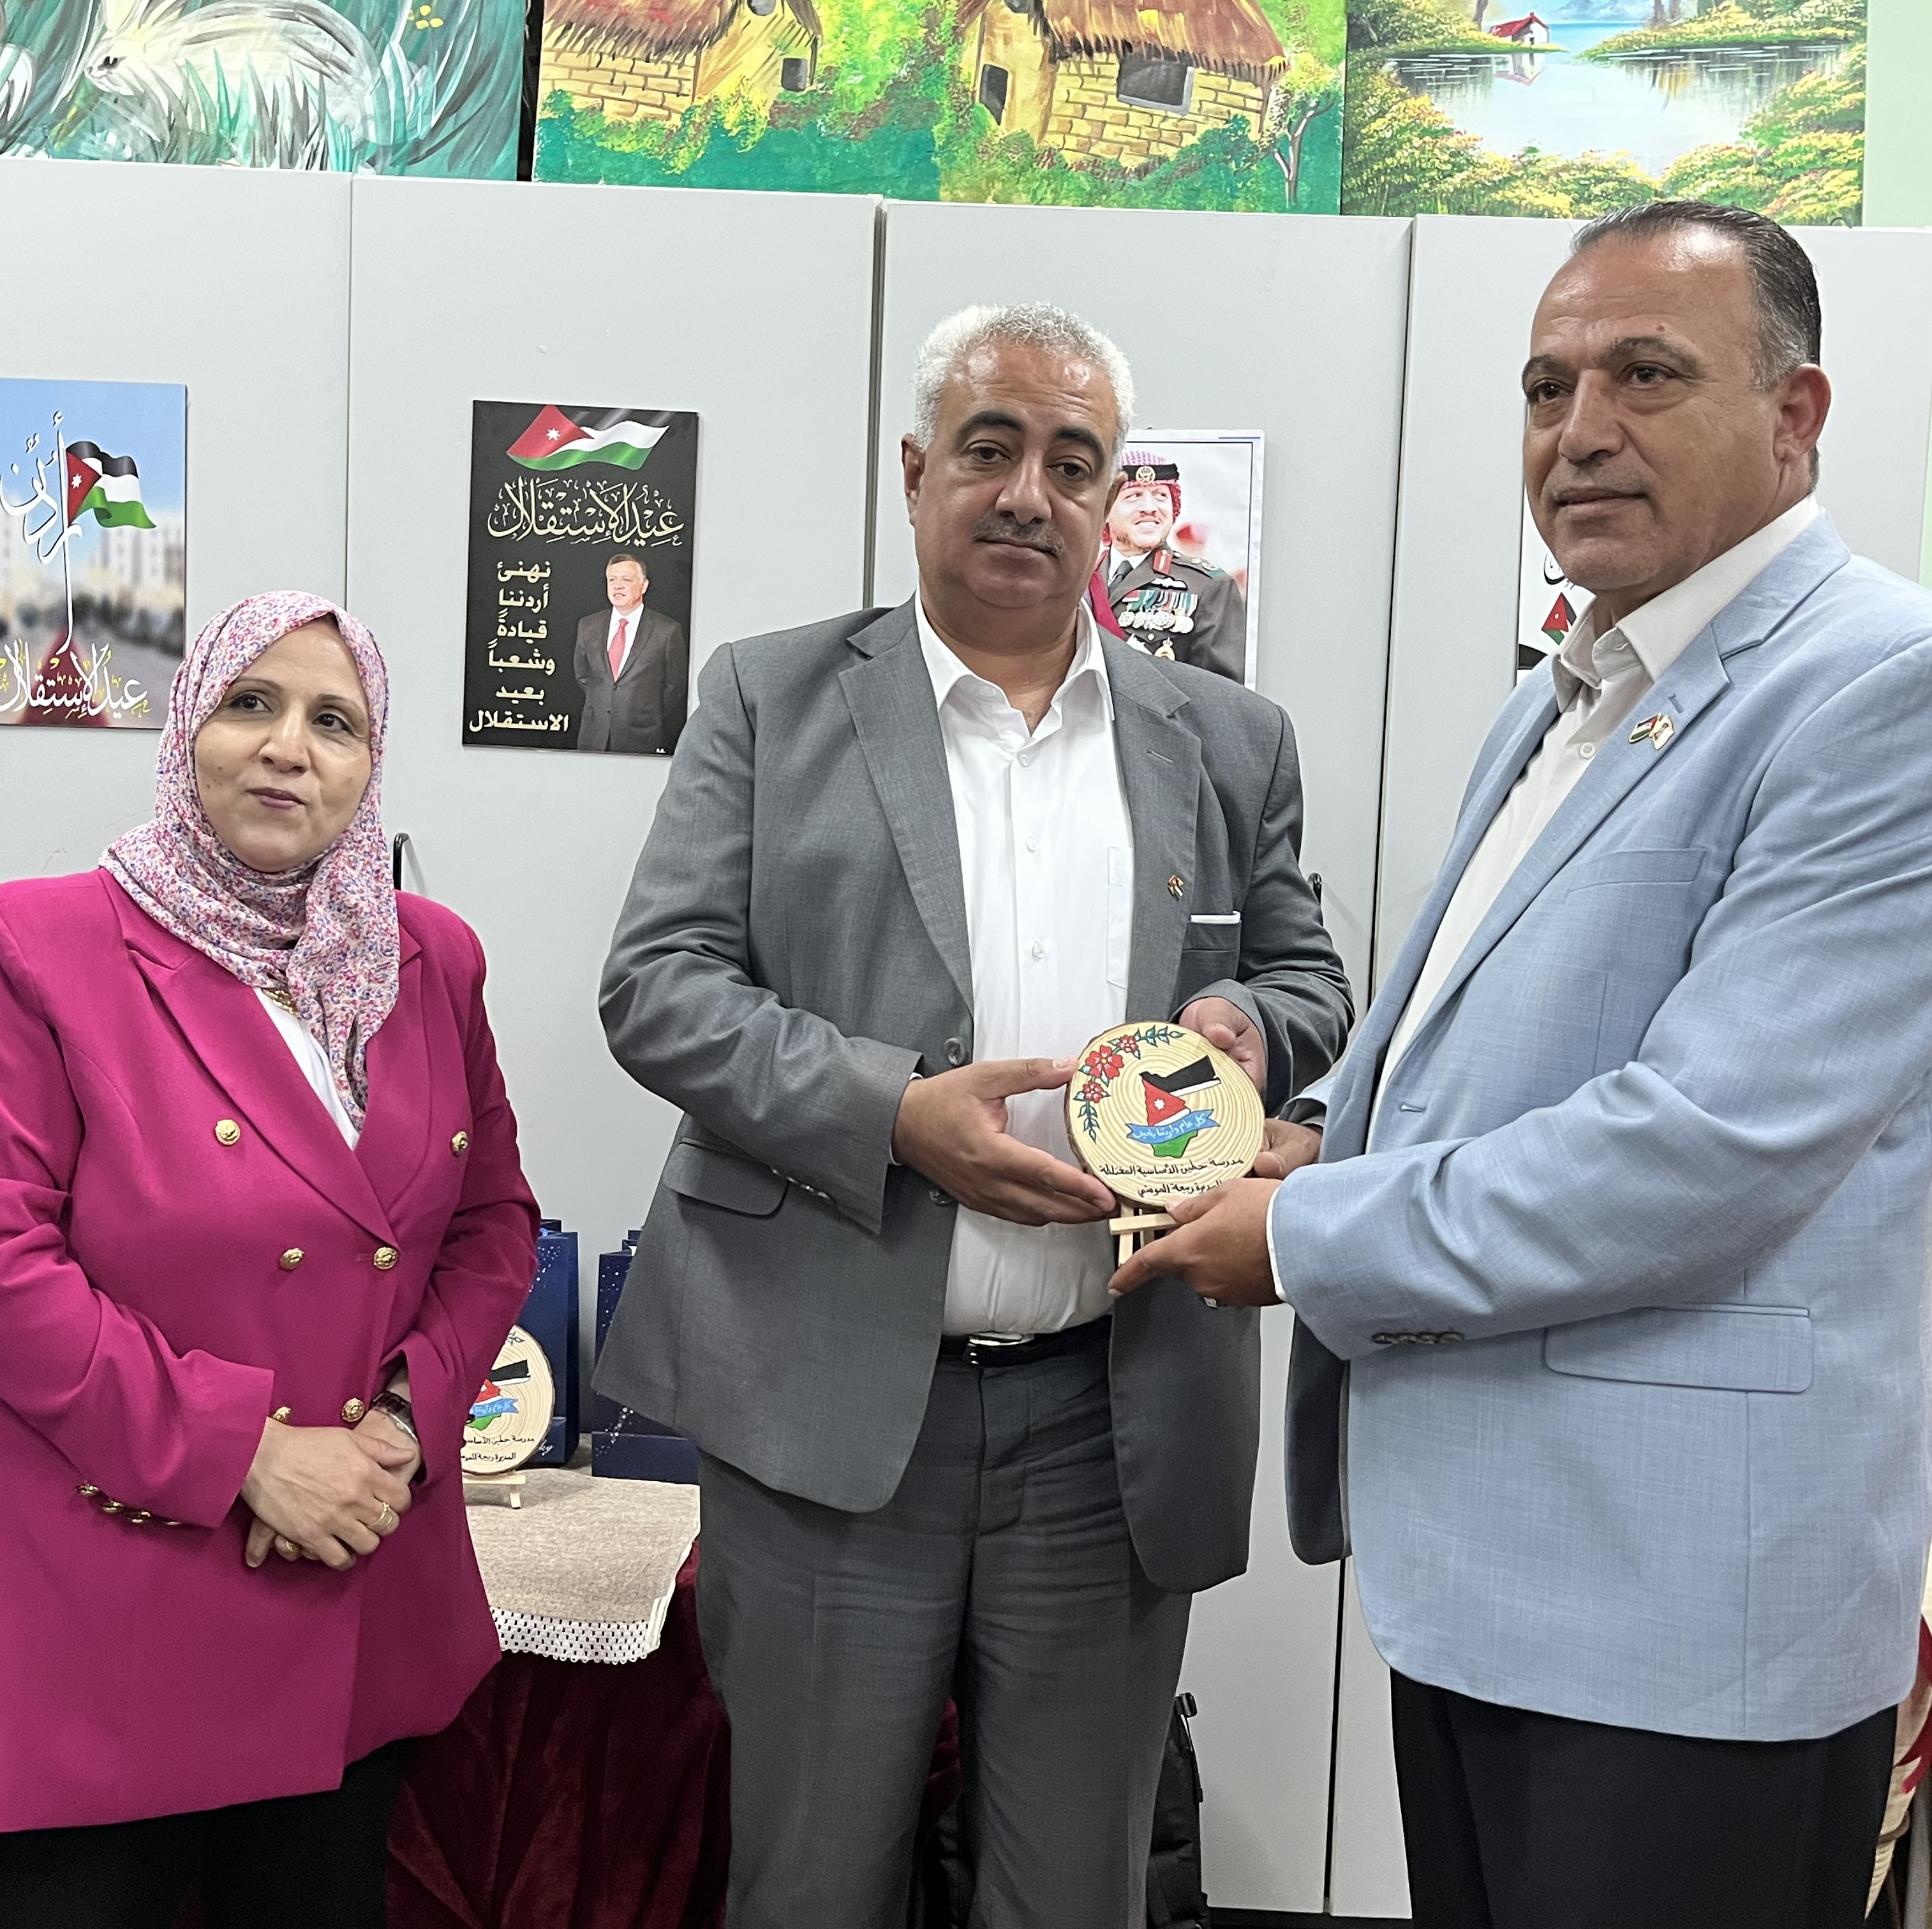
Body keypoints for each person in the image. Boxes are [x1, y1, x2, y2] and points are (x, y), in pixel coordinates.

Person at [1109, 203, 1932, 1925]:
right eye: (1548, 387)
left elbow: (1706, 1146)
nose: (1581, 429)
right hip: (1491, 1583)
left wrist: (1304, 1239)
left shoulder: (1899, 693)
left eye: (1647, 375)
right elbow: (1500, 1061)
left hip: (1688, 1624)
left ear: (1797, 415)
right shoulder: (1568, 698)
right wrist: (1320, 1146)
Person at [595, 303, 1351, 1928]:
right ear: (916, 470)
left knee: (1073, 1893)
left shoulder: (1228, 740)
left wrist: (1246, 1028)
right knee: (810, 1888)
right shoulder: (771, 697)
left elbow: (1308, 976)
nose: (1027, 493)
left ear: (1111, 501)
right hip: (829, 1408)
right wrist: (894, 1114)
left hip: (1109, 1416)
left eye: (1072, 464)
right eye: (991, 449)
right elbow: (657, 986)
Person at [0, 591, 538, 1928]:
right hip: (98, 1625)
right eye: (250, 703)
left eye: (335, 721)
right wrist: (249, 1454)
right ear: (185, 729)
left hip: (346, 1594)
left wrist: (406, 1426)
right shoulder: (39, 946)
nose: (289, 747)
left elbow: (491, 1220)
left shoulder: (429, 961)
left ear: (371, 763)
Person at [1095, 452, 1248, 683]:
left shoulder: (1209, 585)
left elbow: (1220, 692)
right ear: (1105, 509)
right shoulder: (1076, 579)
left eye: (1161, 496)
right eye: (1133, 496)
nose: (1150, 508)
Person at [574, 551, 689, 754]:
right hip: (593, 737)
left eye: (626, 580)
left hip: (641, 738)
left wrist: (642, 710)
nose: (617, 586)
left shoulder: (667, 630)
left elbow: (675, 686)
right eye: (612, 580)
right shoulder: (588, 626)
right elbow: (583, 676)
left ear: (644, 586)